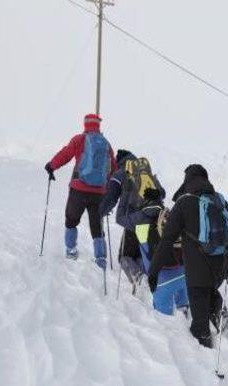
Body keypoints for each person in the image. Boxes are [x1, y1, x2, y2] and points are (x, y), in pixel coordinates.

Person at [148, 164, 228, 347]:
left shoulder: (184, 202)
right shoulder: (219, 200)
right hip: (220, 267)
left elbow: (166, 241)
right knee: (211, 289)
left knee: (199, 324)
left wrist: (153, 271)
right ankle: (223, 323)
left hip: (197, 270)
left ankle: (204, 350)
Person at [44, 113, 117, 267]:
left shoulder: (79, 139)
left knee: (71, 219)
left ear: (85, 124)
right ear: (98, 125)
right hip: (99, 192)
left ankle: (71, 250)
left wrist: (51, 166)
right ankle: (100, 258)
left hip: (79, 188)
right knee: (97, 225)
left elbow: (66, 154)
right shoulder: (106, 144)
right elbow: (113, 168)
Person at [116, 184, 188, 315]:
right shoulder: (171, 215)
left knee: (164, 324)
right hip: (184, 275)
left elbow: (119, 218)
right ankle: (184, 312)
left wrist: (125, 194)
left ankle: (139, 278)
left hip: (161, 281)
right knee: (184, 316)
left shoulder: (139, 218)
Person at [99, 149, 146, 285]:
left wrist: (100, 212)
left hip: (133, 220)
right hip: (150, 218)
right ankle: (142, 274)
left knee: (124, 256)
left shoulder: (120, 173)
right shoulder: (144, 170)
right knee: (139, 252)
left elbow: (111, 198)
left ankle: (138, 277)